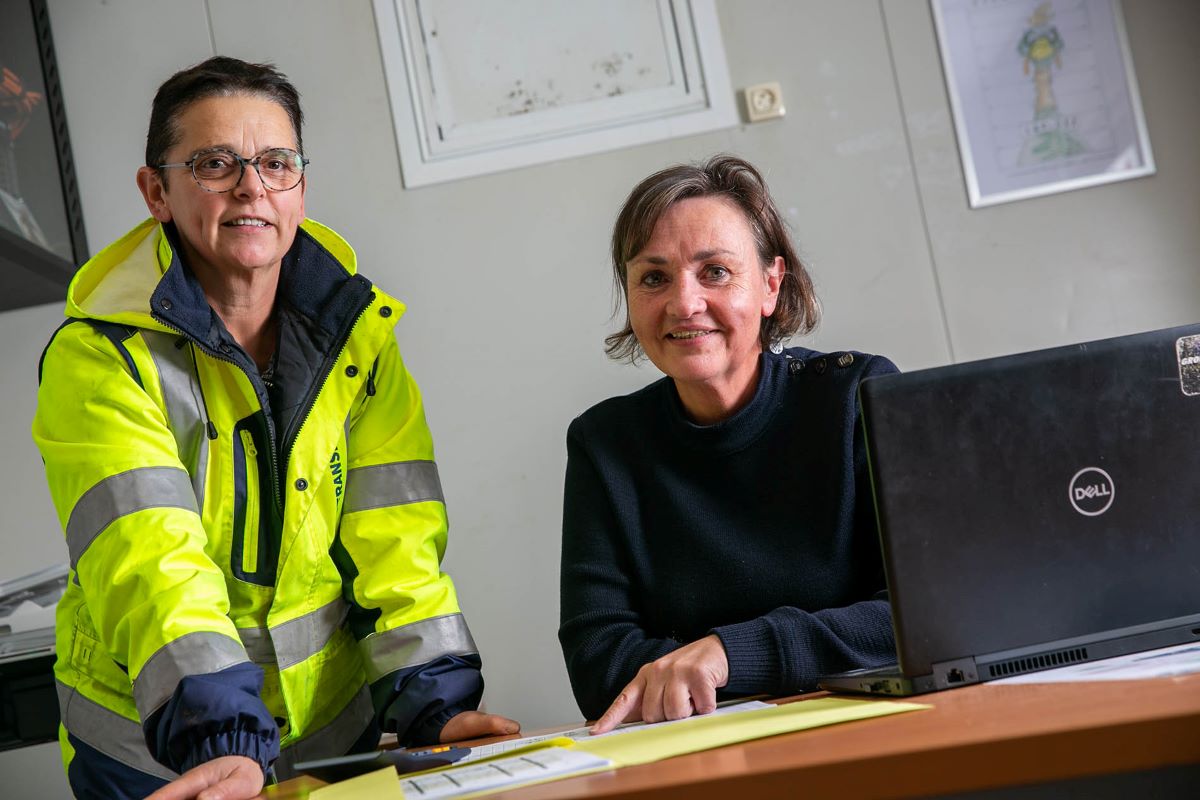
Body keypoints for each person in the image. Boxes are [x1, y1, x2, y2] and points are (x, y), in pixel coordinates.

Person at [32, 57, 516, 800]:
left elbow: (397, 544)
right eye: (215, 162)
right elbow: (152, 564)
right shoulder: (96, 355)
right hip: (158, 748)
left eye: (275, 162)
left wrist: (434, 703)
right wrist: (221, 738)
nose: (251, 186)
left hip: (330, 735)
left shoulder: (361, 337)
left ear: (300, 186)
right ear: (156, 191)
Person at [558, 155, 897, 733]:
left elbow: (916, 612)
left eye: (714, 271)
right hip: (705, 749)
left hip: (869, 729)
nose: (683, 304)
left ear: (770, 284)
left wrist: (728, 654)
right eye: (653, 277)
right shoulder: (604, 442)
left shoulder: (856, 395)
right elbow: (599, 664)